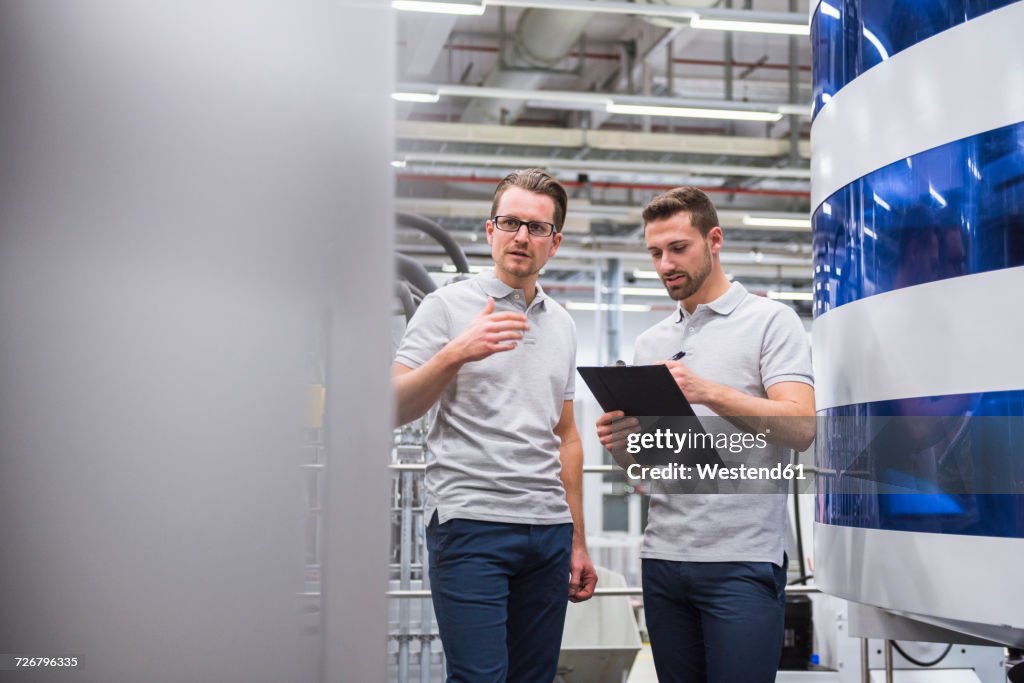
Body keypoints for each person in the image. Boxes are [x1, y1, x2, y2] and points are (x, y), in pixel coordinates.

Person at [595, 187, 816, 683]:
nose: (665, 264)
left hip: (742, 560)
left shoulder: (770, 322)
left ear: (714, 240)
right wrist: (623, 444)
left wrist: (708, 392)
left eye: (678, 248)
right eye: (655, 253)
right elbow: (650, 468)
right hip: (664, 558)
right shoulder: (652, 341)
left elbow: (801, 426)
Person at [393, 168, 597, 683]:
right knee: (480, 677)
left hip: (547, 530)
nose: (521, 237)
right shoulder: (445, 308)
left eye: (536, 227)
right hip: (471, 523)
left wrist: (577, 539)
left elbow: (566, 436)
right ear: (490, 231)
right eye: (510, 223)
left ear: (555, 242)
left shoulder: (563, 324)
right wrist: (458, 351)